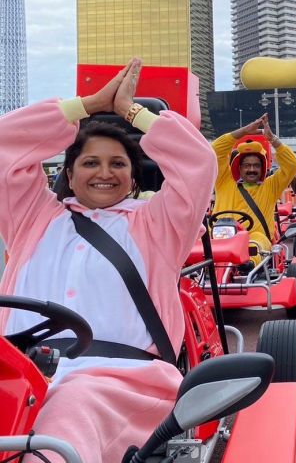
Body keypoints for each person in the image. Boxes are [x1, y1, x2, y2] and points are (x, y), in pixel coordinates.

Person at [0, 58, 217, 463]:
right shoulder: (32, 216)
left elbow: (198, 162)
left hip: (121, 382)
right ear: (69, 172)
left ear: (134, 178)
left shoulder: (157, 226)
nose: (104, 172)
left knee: (66, 408)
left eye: (118, 163)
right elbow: (3, 141)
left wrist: (131, 111)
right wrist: (87, 104)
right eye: (90, 162)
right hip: (14, 375)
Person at [211, 113, 296, 260]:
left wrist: (272, 139)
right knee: (195, 247)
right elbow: (216, 150)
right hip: (219, 236)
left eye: (256, 165)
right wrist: (243, 131)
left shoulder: (271, 186)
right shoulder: (223, 181)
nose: (251, 169)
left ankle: (248, 268)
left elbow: (292, 165)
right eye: (247, 165)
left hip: (255, 238)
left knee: (254, 247)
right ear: (239, 168)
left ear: (263, 167)